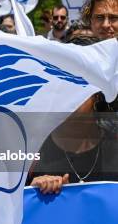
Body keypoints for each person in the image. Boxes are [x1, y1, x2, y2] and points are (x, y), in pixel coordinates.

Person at [28, 34, 118, 194]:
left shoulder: (114, 145)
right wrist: (29, 191)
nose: (69, 96)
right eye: (63, 85)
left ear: (98, 93)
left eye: (78, 86)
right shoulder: (31, 150)